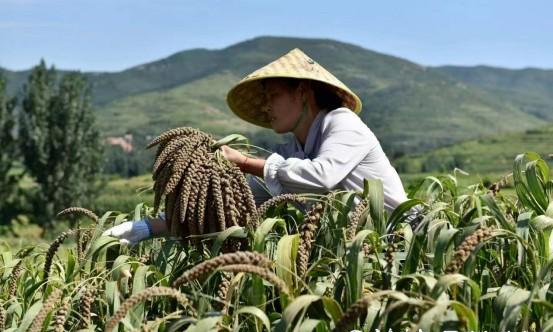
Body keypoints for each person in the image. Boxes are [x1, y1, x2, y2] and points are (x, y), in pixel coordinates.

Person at [103, 48, 409, 245]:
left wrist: (246, 162)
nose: (266, 108)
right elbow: (230, 209)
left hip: (405, 241)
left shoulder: (341, 123)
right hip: (362, 254)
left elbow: (322, 176)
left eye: (272, 96)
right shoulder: (292, 153)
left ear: (302, 92)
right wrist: (145, 229)